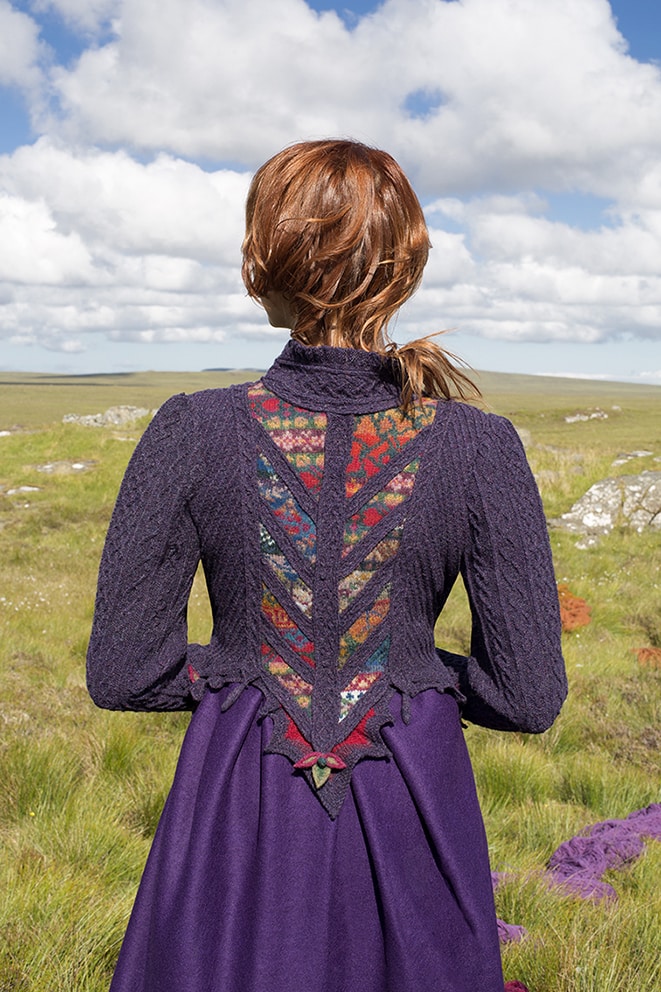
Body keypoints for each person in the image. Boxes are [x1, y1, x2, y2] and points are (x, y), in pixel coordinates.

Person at [87, 139, 567, 992]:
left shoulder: (190, 430)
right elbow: (525, 697)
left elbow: (126, 672)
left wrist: (254, 671)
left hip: (232, 821)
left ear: (261, 260)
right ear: (404, 266)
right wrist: (396, 678)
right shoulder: (478, 446)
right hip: (413, 807)